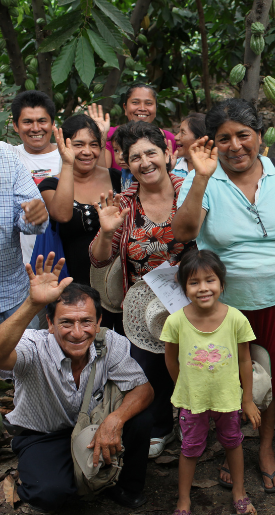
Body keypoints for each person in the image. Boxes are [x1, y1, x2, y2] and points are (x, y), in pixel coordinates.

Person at [172, 98, 275, 492]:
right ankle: (229, 447)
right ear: (212, 142)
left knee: (267, 380)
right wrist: (201, 177)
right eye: (224, 138)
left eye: (243, 135)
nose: (235, 146)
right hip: (222, 307)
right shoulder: (201, 177)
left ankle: (266, 448)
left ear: (260, 138)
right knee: (225, 380)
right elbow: (184, 233)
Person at [0, 253, 154, 511]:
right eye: (66, 322)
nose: (78, 332)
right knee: (50, 494)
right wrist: (31, 303)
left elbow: (144, 389)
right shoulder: (34, 346)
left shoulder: (110, 342)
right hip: (44, 434)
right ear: (49, 323)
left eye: (86, 321)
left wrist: (114, 420)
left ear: (99, 322)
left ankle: (126, 485)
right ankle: (55, 477)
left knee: (139, 417)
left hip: (91, 425)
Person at [90, 121, 193, 458]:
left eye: (151, 152)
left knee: (196, 362)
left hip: (193, 298)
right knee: (149, 372)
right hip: (143, 308)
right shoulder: (124, 203)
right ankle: (161, 426)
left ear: (167, 154)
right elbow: (99, 259)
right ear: (127, 164)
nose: (145, 162)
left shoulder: (189, 191)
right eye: (135, 157)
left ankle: (199, 427)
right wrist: (107, 232)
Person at [162, 249, 259, 515]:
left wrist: (247, 399)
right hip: (193, 401)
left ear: (222, 284)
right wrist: (183, 386)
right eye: (194, 282)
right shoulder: (176, 322)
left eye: (210, 280)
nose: (203, 288)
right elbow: (171, 360)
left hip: (228, 398)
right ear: (184, 288)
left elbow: (244, 361)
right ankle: (184, 500)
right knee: (190, 448)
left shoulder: (236, 319)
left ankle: (239, 490)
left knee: (233, 441)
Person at [38, 115, 121, 287]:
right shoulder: (50, 185)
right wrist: (67, 164)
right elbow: (62, 215)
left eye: (93, 144)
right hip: (71, 283)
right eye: (78, 144)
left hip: (115, 282)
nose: (87, 151)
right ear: (64, 144)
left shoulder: (117, 178)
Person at [0, 91, 61, 263]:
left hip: (63, 254)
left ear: (52, 123)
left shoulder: (68, 157)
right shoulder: (8, 157)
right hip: (22, 262)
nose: (35, 128)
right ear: (15, 126)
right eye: (27, 122)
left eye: (42, 121)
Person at [0, 145, 49, 328]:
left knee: (25, 355)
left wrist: (35, 216)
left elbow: (29, 214)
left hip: (12, 294)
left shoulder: (7, 159)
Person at [97, 84, 177, 170]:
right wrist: (102, 136)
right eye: (135, 102)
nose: (142, 108)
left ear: (156, 108)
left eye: (148, 103)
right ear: (125, 108)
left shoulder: (169, 139)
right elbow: (101, 175)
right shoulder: (110, 135)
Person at [172, 112, 207, 179]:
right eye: (178, 132)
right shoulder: (173, 168)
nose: (176, 137)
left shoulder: (220, 170)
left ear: (200, 140)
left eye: (182, 133)